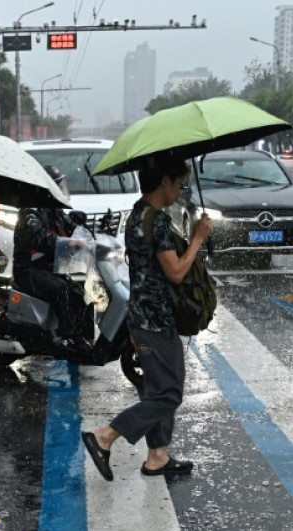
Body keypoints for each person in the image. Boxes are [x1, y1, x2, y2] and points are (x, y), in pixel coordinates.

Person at [81, 156, 212, 481]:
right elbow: (176, 272)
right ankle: (105, 436)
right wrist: (198, 238)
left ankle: (157, 456)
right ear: (164, 181)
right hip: (157, 319)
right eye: (178, 184)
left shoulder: (137, 214)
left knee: (156, 389)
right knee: (169, 393)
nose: (180, 191)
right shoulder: (157, 220)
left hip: (140, 315)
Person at [11, 166, 84, 343]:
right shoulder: (30, 211)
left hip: (47, 267)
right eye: (58, 186)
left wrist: (85, 234)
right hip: (28, 269)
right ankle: (66, 337)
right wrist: (66, 243)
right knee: (60, 289)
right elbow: (40, 238)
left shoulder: (54, 209)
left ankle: (79, 332)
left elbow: (70, 227)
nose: (62, 190)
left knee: (79, 291)